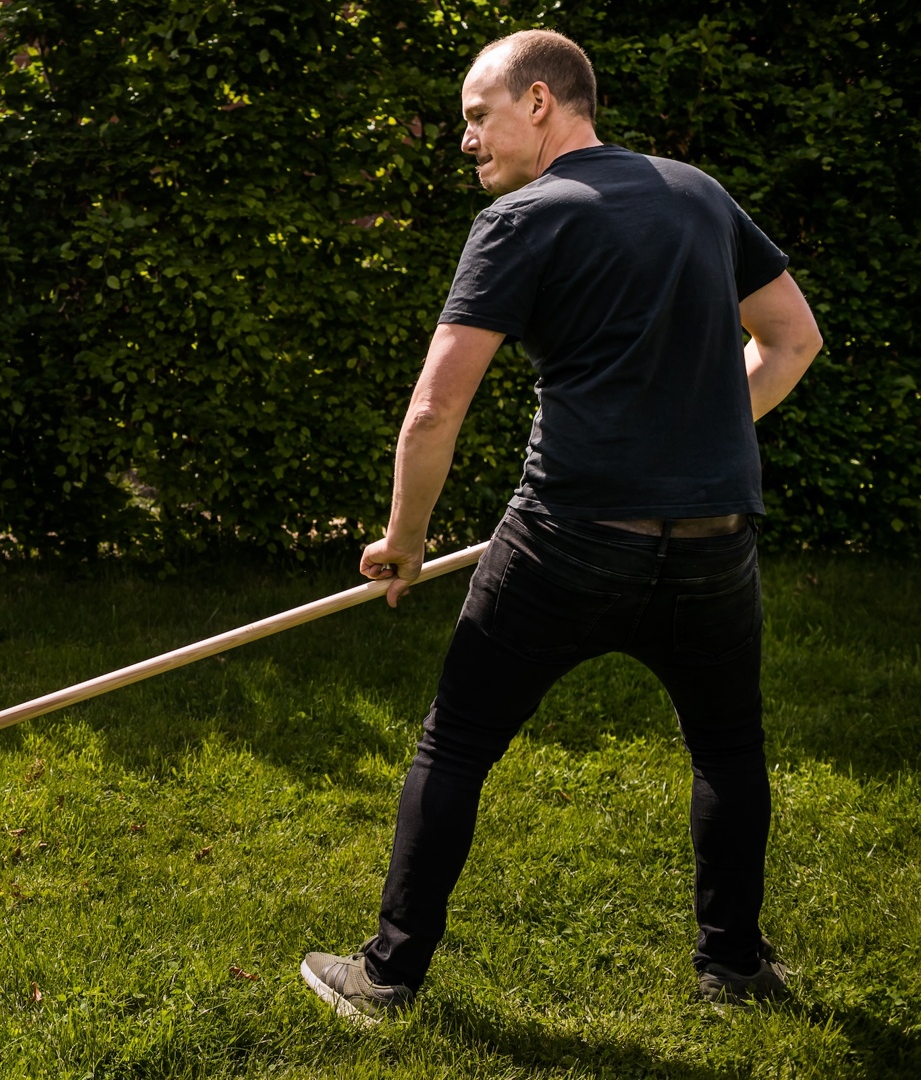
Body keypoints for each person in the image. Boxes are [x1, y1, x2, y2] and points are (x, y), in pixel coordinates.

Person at [300, 28, 823, 1019]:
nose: (466, 142)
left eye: (476, 116)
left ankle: (386, 977)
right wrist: (687, 436)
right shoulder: (699, 194)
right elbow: (794, 340)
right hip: (715, 543)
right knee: (728, 748)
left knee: (456, 742)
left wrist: (401, 543)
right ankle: (737, 971)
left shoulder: (523, 220)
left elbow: (433, 410)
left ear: (540, 102)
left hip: (569, 543)